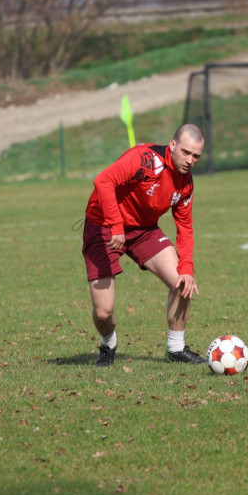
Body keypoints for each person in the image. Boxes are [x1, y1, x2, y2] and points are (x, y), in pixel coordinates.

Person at [82, 124, 206, 367]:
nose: (190, 160)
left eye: (196, 156)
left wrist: (188, 268)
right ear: (172, 145)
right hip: (103, 226)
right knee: (104, 312)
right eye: (185, 152)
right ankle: (108, 344)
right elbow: (103, 181)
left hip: (143, 230)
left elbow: (185, 228)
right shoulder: (144, 160)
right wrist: (116, 226)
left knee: (182, 282)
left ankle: (176, 348)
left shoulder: (185, 183)